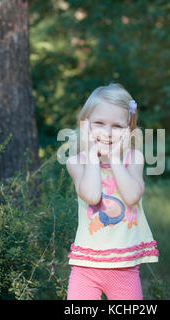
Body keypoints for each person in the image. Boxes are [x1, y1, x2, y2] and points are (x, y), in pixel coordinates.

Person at [65, 83, 159, 300]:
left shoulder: (133, 159)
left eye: (117, 126)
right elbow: (92, 195)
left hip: (124, 267)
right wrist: (91, 155)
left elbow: (132, 196)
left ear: (129, 131)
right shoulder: (76, 162)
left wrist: (115, 158)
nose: (107, 133)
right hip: (85, 267)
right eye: (99, 123)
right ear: (85, 126)